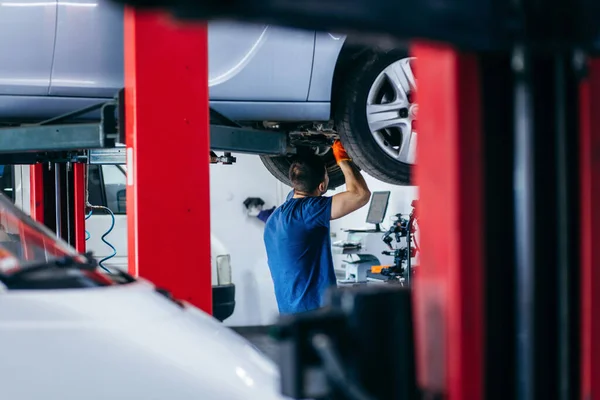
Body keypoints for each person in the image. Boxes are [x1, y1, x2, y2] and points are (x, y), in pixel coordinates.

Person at [263, 140, 371, 314]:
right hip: (314, 312)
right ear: (322, 186)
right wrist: (342, 159)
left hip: (289, 311)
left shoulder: (277, 215)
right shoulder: (308, 212)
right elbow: (360, 194)